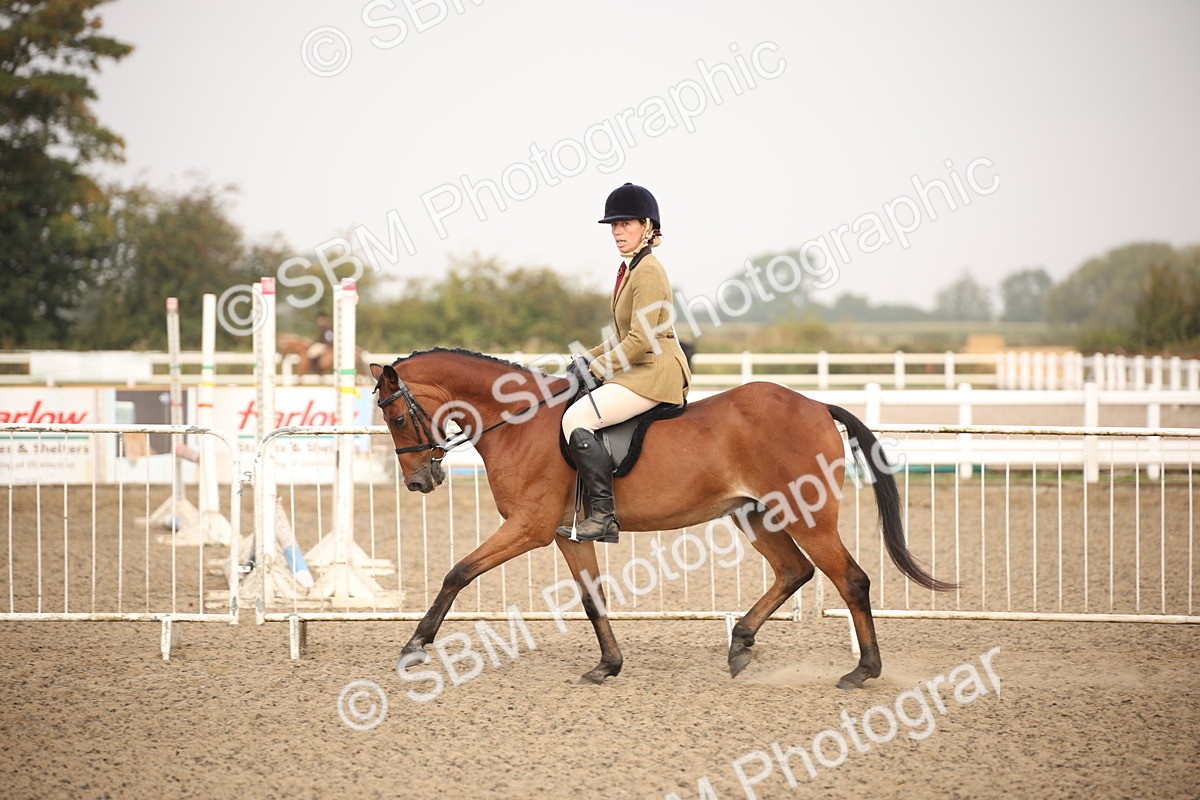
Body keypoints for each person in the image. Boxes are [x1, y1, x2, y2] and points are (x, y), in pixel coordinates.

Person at [556, 182, 691, 544]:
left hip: (655, 371)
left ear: (647, 227)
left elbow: (639, 340)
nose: (618, 231)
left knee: (576, 417)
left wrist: (597, 370)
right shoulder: (630, 269)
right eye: (613, 225)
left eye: (626, 224)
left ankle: (602, 515)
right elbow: (620, 336)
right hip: (641, 366)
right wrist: (586, 359)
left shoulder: (647, 271)